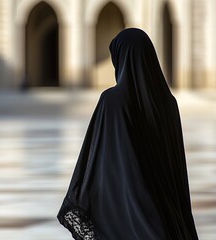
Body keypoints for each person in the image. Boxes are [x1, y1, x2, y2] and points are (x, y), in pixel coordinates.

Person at [56, 28, 199, 240]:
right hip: (167, 219)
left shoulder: (112, 101)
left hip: (128, 220)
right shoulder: (169, 103)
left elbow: (98, 160)